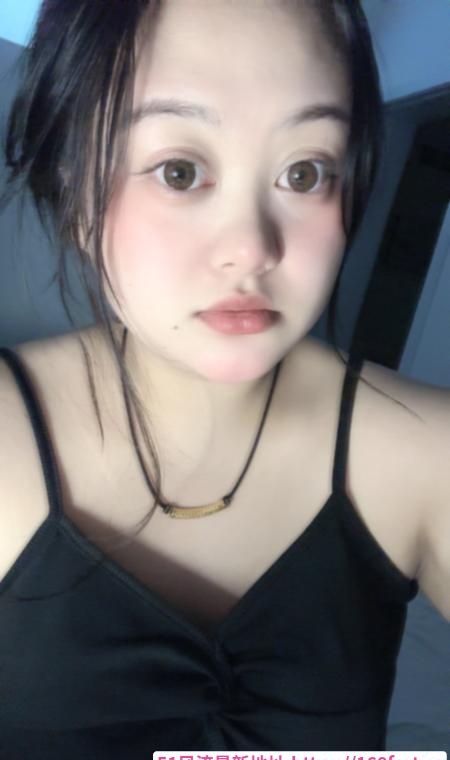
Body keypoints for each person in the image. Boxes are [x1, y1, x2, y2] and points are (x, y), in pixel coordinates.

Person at [0, 0, 448, 755]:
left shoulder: (428, 454)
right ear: (76, 192)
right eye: (180, 172)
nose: (252, 248)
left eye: (304, 172)